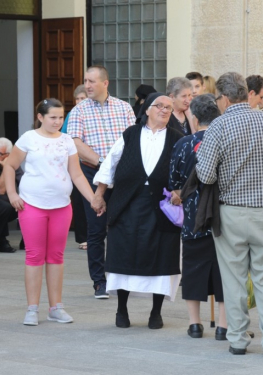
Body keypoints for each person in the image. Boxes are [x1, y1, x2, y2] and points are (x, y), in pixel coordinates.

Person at [195, 72, 263, 357]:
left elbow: (205, 176)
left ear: (226, 98)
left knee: (233, 279)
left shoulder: (218, 126)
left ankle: (238, 340)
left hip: (231, 214)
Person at [3, 98, 104, 326]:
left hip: (61, 206)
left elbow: (76, 174)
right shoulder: (29, 138)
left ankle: (56, 307)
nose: (58, 121)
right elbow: (10, 166)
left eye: (60, 117)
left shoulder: (67, 141)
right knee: (34, 256)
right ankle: (32, 308)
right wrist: (12, 194)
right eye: (53, 117)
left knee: (56, 257)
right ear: (40, 117)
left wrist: (93, 199)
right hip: (32, 205)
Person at [92, 93, 183, 329]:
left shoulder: (178, 138)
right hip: (127, 204)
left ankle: (156, 312)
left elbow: (186, 170)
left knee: (162, 257)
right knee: (124, 253)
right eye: (160, 106)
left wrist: (180, 191)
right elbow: (110, 164)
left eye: (169, 108)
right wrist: (99, 195)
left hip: (161, 207)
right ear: (147, 109)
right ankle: (121, 310)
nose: (164, 110)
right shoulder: (130, 134)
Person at [67, 65, 135, 298]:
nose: (87, 85)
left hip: (122, 176)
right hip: (92, 174)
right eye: (85, 81)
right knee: (96, 230)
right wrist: (103, 162)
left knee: (124, 227)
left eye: (92, 81)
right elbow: (76, 142)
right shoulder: (79, 110)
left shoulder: (124, 108)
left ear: (105, 83)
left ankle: (123, 277)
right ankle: (99, 281)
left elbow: (133, 140)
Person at [169, 94, 227, 339]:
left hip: (194, 217)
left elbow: (174, 184)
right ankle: (224, 326)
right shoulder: (226, 140)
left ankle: (195, 324)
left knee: (192, 268)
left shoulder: (183, 144)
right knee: (227, 270)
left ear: (193, 117)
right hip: (224, 216)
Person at [61, 84, 89, 250]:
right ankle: (82, 237)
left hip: (93, 162)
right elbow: (64, 136)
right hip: (76, 163)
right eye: (77, 99)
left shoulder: (93, 113)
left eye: (82, 98)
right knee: (78, 201)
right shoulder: (71, 114)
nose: (79, 101)